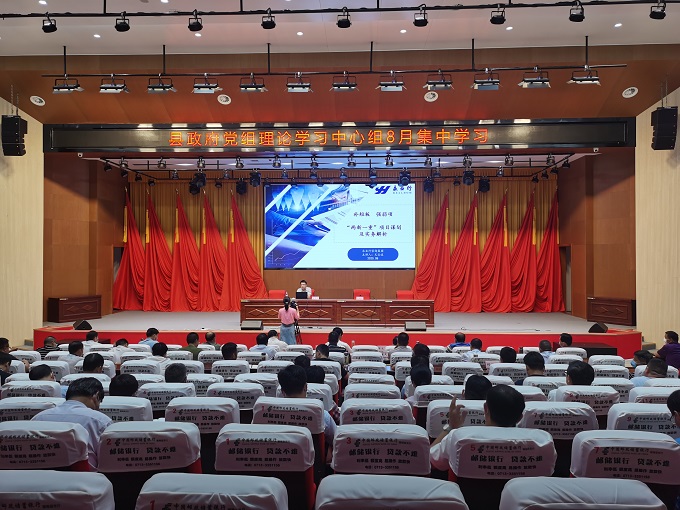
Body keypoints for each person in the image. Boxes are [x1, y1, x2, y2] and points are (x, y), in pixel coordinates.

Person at [430, 384, 526, 471]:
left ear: (485, 409)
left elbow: (429, 460)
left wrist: (451, 427)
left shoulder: (458, 438)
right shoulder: (534, 442)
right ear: (520, 418)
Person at [32, 377, 112, 469]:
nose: (98, 407)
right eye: (99, 402)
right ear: (96, 396)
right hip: (86, 477)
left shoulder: (38, 418)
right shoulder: (101, 421)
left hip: (39, 476)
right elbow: (108, 462)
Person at [277, 365, 336, 460]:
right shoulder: (321, 414)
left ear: (282, 391)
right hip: (315, 465)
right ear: (306, 387)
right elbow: (336, 440)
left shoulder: (268, 415)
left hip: (279, 461)